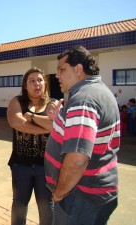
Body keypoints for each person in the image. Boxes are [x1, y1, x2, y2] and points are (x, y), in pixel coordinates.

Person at [45, 45, 120, 225]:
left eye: (62, 69)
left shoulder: (84, 99)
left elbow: (77, 159)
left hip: (80, 197)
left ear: (79, 69)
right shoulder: (99, 91)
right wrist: (60, 121)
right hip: (94, 194)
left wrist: (59, 193)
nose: (57, 75)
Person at [7, 67, 60, 225]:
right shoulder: (17, 101)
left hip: (46, 166)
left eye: (40, 80)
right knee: (19, 204)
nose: (36, 84)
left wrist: (30, 116)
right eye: (32, 81)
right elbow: (16, 122)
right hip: (20, 165)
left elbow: (57, 126)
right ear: (25, 85)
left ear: (45, 83)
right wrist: (46, 126)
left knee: (46, 206)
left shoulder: (53, 103)